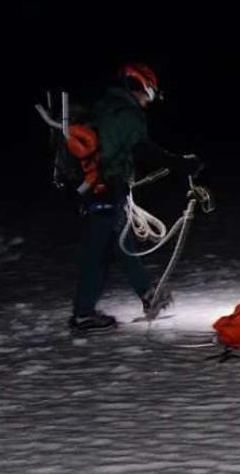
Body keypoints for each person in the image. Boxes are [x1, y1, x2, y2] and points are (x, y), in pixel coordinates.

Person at [69, 63, 203, 334]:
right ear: (139, 86)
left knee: (118, 244)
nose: (148, 100)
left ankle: (147, 296)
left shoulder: (106, 106)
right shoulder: (127, 113)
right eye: (149, 93)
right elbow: (141, 148)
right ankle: (84, 314)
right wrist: (180, 164)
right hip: (106, 188)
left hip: (99, 186)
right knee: (101, 251)